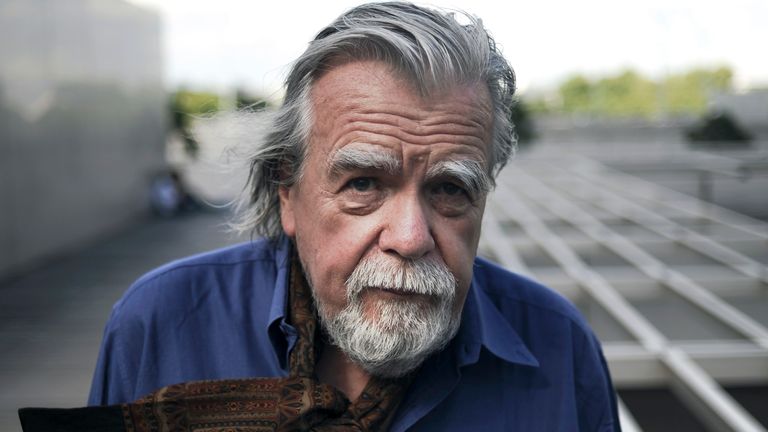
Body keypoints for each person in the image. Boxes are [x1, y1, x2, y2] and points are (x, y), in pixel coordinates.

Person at [87, 2, 621, 430]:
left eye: (450, 189)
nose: (411, 238)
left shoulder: (559, 348)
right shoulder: (162, 323)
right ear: (287, 193)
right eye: (364, 184)